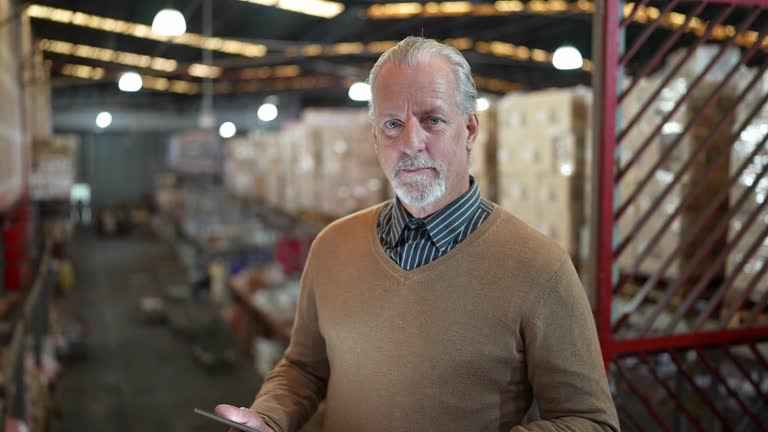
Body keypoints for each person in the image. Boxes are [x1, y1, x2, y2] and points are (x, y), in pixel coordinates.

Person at [216, 36, 619, 432]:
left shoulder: (538, 267)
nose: (411, 143)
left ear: (471, 130)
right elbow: (304, 367)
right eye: (392, 124)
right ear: (375, 137)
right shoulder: (333, 246)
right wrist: (268, 418)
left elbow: (591, 420)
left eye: (433, 120)